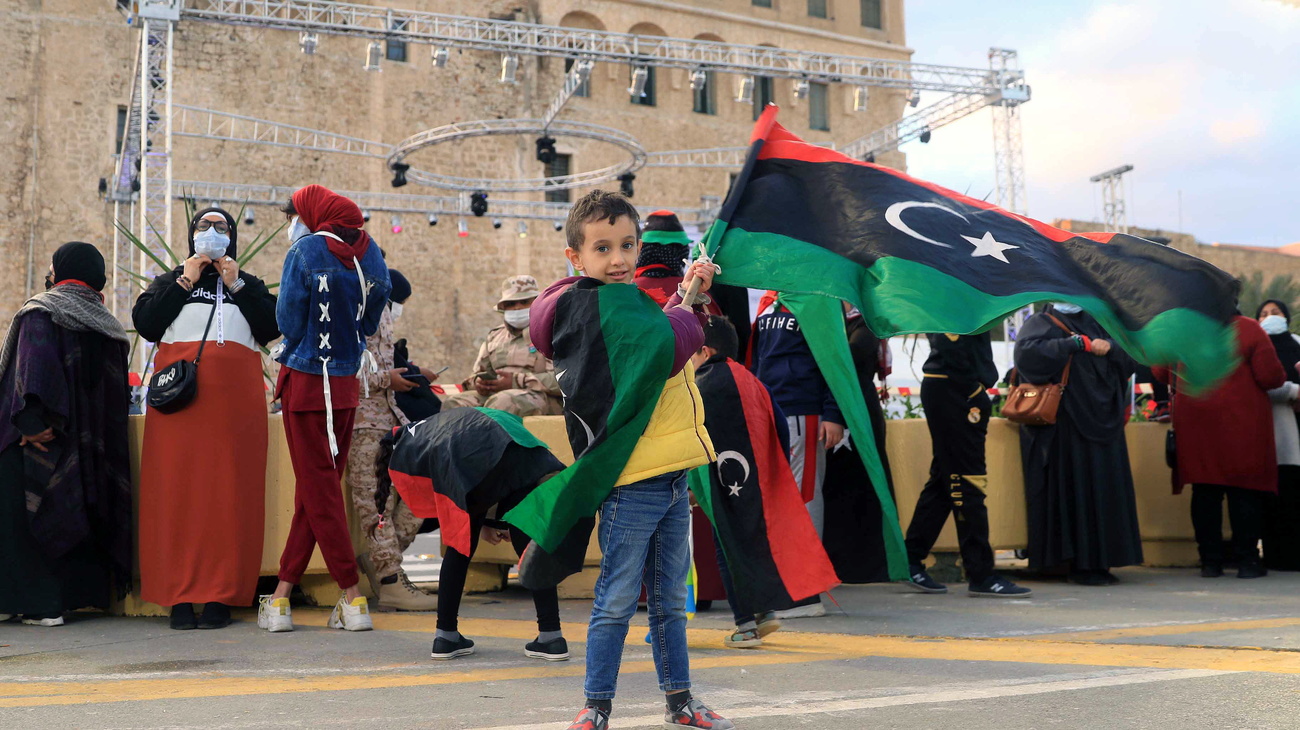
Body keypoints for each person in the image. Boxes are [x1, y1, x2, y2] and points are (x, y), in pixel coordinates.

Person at [530, 190, 731, 730]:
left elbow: (661, 335)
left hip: (668, 475)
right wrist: (689, 301)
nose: (618, 259)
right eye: (602, 247)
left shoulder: (624, 309)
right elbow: (668, 345)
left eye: (627, 245)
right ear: (576, 256)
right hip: (631, 481)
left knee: (668, 603)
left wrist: (690, 291)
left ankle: (680, 702)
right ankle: (595, 706)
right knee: (616, 600)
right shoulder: (595, 308)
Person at [133, 208, 280, 630]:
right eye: (203, 226)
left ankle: (221, 596)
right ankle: (178, 598)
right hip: (180, 410)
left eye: (220, 228)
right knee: (175, 497)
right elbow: (146, 323)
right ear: (191, 234)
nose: (211, 233)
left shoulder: (246, 284)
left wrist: (235, 282)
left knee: (229, 499)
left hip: (236, 416)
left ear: (232, 236)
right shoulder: (171, 281)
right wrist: (185, 279)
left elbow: (272, 327)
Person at [260, 184, 391, 633]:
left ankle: (352, 595)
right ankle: (280, 595)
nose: (291, 223)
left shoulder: (305, 249)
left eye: (292, 214)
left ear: (310, 214)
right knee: (315, 493)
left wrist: (298, 345)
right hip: (346, 384)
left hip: (306, 383)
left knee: (317, 490)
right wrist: (355, 334)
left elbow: (287, 319)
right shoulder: (369, 250)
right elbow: (379, 299)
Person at [0, 243, 132, 626]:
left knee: (27, 516)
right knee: (73, 513)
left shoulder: (42, 312)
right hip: (88, 446)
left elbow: (33, 370)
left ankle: (41, 604)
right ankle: (62, 599)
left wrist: (30, 425)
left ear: (59, 270)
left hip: (39, 440)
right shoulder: (109, 326)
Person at [373, 407, 569, 661]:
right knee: (529, 539)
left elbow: (454, 495)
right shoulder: (436, 422)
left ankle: (445, 637)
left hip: (472, 458)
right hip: (514, 448)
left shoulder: (414, 443)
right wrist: (494, 520)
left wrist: (482, 520)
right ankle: (551, 636)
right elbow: (499, 465)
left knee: (458, 547)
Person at [1015, 303, 1143, 585]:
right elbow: (1026, 355)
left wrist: (1109, 347)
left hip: (1104, 423)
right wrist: (1072, 344)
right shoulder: (1043, 321)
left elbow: (1133, 357)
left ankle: (1099, 562)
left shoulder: (1103, 322)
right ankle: (1068, 563)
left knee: (1101, 490)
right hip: (1064, 427)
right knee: (1070, 490)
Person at [1154, 312, 1286, 578]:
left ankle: (1210, 563)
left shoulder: (1183, 330)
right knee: (1245, 492)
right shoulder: (1249, 329)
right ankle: (1247, 561)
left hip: (1196, 423)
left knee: (1205, 492)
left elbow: (1160, 371)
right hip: (1243, 424)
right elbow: (1271, 377)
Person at [904, 333, 1031, 598]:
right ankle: (981, 573)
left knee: (944, 481)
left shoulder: (960, 296)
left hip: (954, 387)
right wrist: (972, 389)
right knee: (968, 481)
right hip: (955, 389)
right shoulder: (956, 296)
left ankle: (911, 559)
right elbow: (953, 346)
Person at [750, 290, 845, 618]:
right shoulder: (768, 300)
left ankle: (806, 594)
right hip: (772, 410)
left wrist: (833, 413)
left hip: (804, 411)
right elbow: (760, 359)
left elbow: (833, 356)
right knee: (781, 500)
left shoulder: (818, 298)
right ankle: (792, 586)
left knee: (804, 500)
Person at [348, 268, 437, 612]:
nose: (397, 308)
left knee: (418, 493)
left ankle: (384, 564)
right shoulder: (355, 316)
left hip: (393, 422)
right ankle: (389, 579)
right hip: (362, 422)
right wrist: (389, 378)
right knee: (376, 503)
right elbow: (341, 372)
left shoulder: (382, 321)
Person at [822, 305, 896, 583]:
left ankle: (867, 565)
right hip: (835, 406)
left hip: (860, 408)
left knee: (865, 484)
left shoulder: (867, 320)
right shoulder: (829, 317)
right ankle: (835, 562)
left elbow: (852, 356)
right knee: (835, 487)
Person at [441, 275, 562, 417]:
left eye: (524, 302)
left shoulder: (552, 333)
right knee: (453, 404)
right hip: (495, 396)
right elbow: (479, 372)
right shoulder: (494, 337)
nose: (517, 308)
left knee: (504, 401)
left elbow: (565, 379)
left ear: (537, 303)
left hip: (542, 397)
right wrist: (478, 383)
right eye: (510, 304)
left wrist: (517, 381)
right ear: (503, 308)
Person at [1257, 300, 1300, 571]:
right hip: (1263, 426)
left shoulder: (1296, 342)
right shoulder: (1255, 346)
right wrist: (1294, 391)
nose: (1270, 318)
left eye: (1276, 313)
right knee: (1270, 496)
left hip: (1294, 430)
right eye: (1263, 314)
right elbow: (1258, 381)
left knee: (1293, 493)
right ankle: (1273, 555)